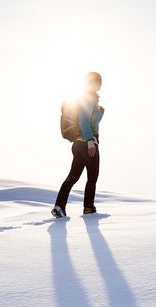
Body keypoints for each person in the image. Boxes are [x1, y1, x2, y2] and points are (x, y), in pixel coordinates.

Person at [52, 71, 105, 217]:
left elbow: (90, 120)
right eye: (97, 81)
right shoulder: (88, 99)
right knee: (92, 177)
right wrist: (90, 142)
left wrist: (100, 112)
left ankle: (59, 206)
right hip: (88, 143)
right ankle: (88, 207)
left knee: (73, 177)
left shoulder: (89, 99)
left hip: (78, 145)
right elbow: (83, 121)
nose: (100, 84)